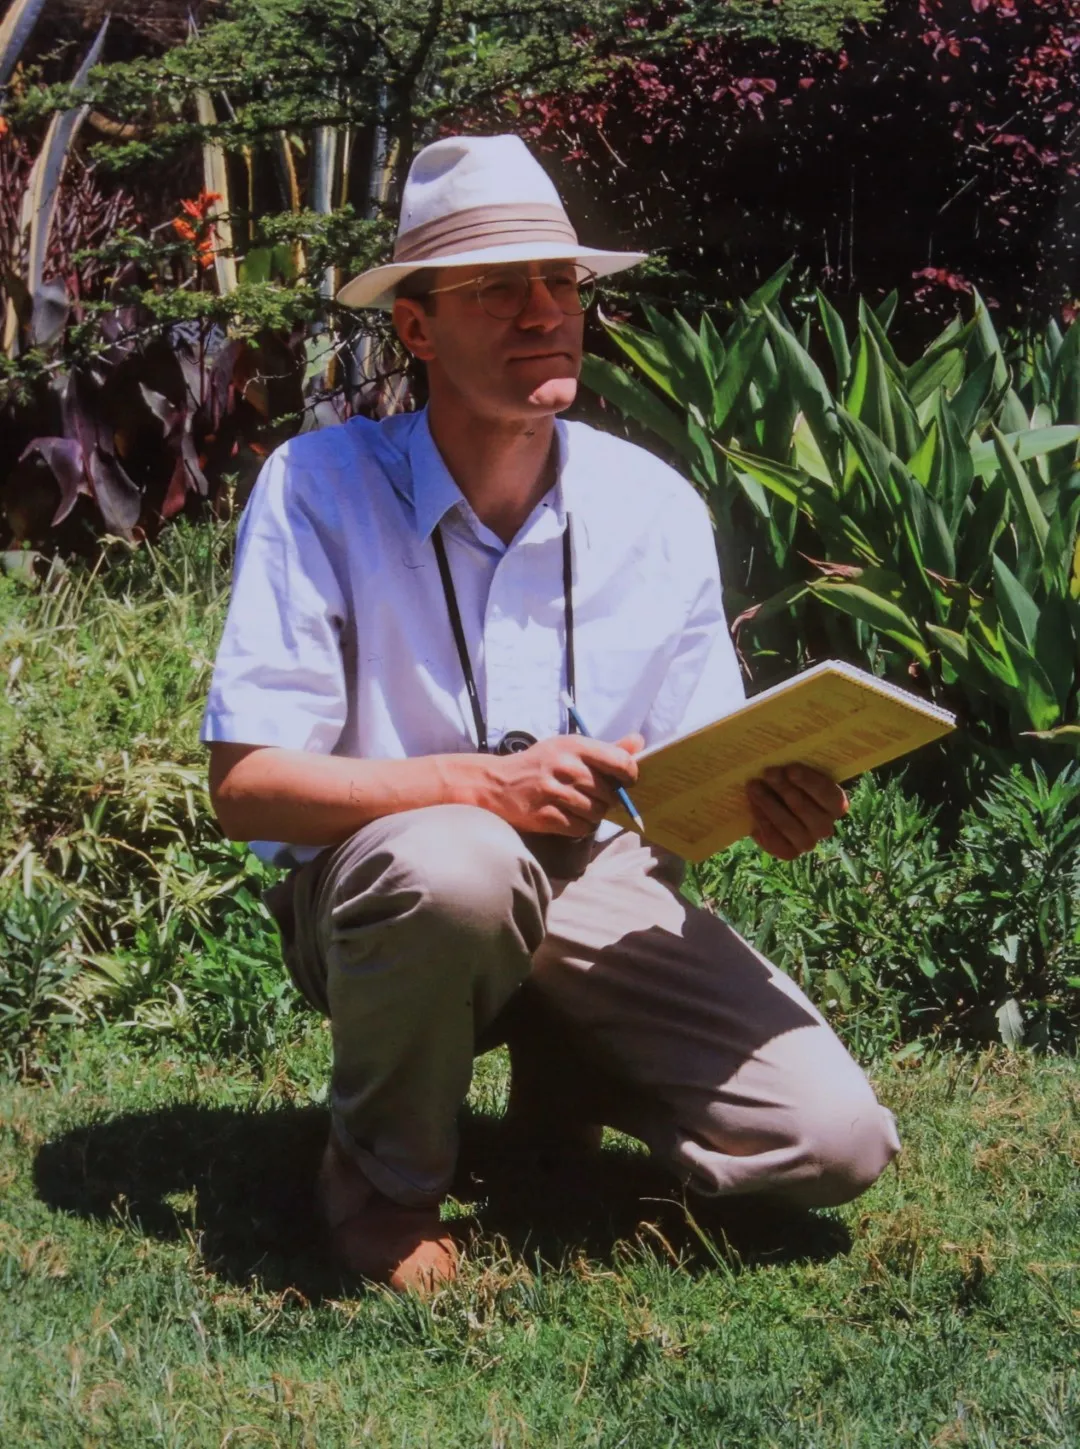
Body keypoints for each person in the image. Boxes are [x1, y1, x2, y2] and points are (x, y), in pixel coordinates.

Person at [202, 134, 900, 1294]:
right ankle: (379, 1189)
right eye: (496, 290)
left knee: (835, 1144)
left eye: (561, 282)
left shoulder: (653, 504)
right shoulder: (319, 487)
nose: (544, 312)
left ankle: (567, 1080)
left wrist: (762, 797)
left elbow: (680, 791)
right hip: (393, 887)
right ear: (416, 329)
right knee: (462, 865)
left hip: (606, 889)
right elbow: (246, 789)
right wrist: (483, 785)